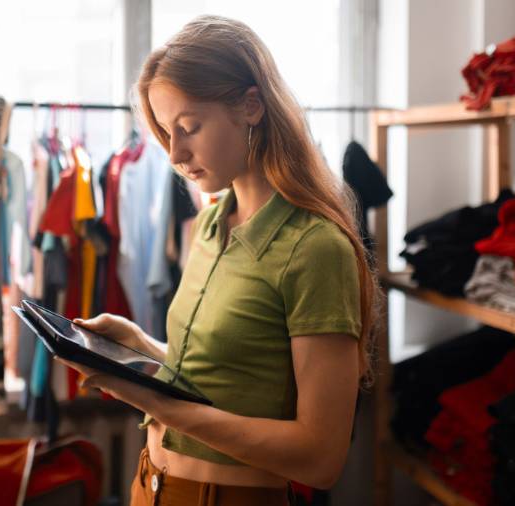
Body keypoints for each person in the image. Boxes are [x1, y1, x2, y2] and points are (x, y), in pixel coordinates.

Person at [60, 15, 379, 506]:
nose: (174, 153)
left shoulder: (315, 248)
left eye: (188, 128)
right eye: (167, 133)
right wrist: (141, 349)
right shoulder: (211, 224)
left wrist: (154, 401)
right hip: (149, 485)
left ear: (251, 106)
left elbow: (321, 457)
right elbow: (227, 378)